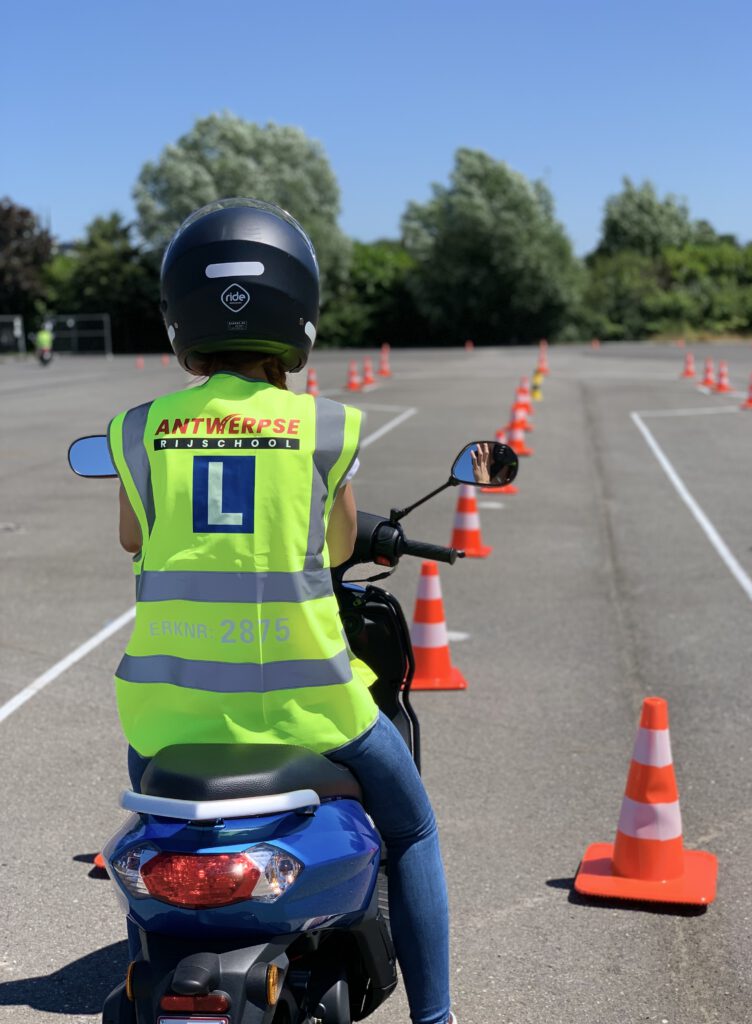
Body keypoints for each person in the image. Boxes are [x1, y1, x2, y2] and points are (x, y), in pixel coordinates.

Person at [108, 198, 453, 1024]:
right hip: (311, 711)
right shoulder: (325, 428)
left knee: (158, 836)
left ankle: (151, 960)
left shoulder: (139, 430)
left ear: (180, 315)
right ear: (298, 311)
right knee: (411, 832)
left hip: (166, 717)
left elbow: (134, 536)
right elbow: (336, 547)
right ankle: (436, 1018)